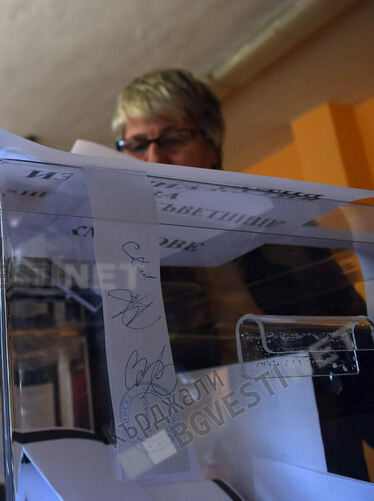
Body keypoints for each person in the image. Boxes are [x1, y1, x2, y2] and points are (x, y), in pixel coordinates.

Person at [112, 68, 373, 481]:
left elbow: (357, 347)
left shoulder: (288, 232)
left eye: (175, 138)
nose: (155, 158)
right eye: (137, 145)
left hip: (317, 453)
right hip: (194, 468)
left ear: (212, 146)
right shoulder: (123, 263)